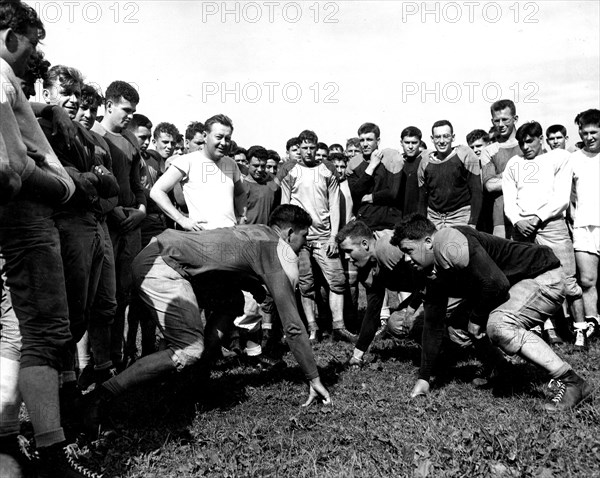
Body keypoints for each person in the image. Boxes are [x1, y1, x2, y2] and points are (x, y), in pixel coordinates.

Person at [84, 205, 332, 429]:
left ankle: (195, 379)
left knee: (232, 300)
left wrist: (252, 284)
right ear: (289, 233)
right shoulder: (280, 250)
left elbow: (226, 260)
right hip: (163, 264)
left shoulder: (258, 230)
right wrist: (313, 376)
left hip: (161, 250)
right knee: (188, 349)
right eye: (304, 237)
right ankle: (103, 395)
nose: (304, 244)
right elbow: (293, 326)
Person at [1, 2, 100, 475]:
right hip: (27, 219)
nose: (34, 55)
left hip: (14, 224)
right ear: (10, 33)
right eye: (33, 42)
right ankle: (52, 451)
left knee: (12, 331)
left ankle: (7, 442)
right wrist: (66, 185)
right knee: (45, 334)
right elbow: (11, 169)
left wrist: (45, 108)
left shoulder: (9, 82)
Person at [391, 214, 592, 412]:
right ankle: (505, 372)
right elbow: (433, 325)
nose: (407, 259)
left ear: (428, 242)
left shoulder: (447, 242)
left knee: (499, 325)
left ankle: (572, 381)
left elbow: (496, 283)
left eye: (409, 250)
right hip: (514, 285)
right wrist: (424, 378)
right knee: (456, 327)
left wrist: (477, 319)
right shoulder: (431, 268)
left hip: (544, 275)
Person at [503, 121, 588, 348]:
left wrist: (538, 218)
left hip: (551, 224)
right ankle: (546, 329)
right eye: (521, 143)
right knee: (529, 280)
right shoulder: (514, 163)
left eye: (530, 141)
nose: (525, 147)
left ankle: (580, 331)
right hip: (522, 229)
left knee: (568, 279)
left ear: (541, 138)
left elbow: (561, 197)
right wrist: (518, 221)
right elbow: (509, 201)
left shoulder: (558, 157)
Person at [277, 130, 354, 342]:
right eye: (305, 148)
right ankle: (312, 328)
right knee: (305, 284)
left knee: (337, 280)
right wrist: (287, 239)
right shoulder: (290, 172)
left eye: (312, 147)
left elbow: (334, 205)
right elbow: (284, 206)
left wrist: (333, 236)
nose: (309, 152)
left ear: (316, 147)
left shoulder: (327, 171)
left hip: (323, 236)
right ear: (299, 149)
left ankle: (339, 326)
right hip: (299, 238)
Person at [92, 80, 147, 370]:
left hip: (132, 225)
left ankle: (119, 356)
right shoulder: (92, 135)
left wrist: (140, 210)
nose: (129, 116)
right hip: (106, 223)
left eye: (134, 111)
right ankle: (93, 362)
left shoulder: (131, 140)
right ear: (109, 105)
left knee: (125, 293)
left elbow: (138, 185)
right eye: (126, 109)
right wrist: (114, 213)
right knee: (104, 296)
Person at [150, 114, 246, 231]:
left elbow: (240, 193)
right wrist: (182, 220)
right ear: (205, 136)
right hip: (201, 237)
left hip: (230, 234)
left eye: (227, 138)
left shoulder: (231, 163)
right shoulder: (187, 161)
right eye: (219, 137)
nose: (223, 143)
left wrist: (242, 215)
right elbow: (156, 191)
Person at [569, 109, 600, 340]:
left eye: (594, 132)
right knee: (587, 280)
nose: (589, 137)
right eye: (585, 132)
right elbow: (567, 194)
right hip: (583, 226)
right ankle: (593, 323)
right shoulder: (574, 159)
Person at [418, 120, 482, 229]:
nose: (442, 141)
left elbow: (476, 191)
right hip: (434, 218)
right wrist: (423, 225)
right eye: (437, 137)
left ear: (453, 137)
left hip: (460, 217)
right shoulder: (425, 162)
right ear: (432, 139)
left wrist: (472, 222)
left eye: (446, 136)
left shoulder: (464, 155)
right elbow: (422, 198)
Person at [481, 99, 522, 238]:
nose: (501, 125)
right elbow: (490, 186)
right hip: (500, 216)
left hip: (528, 212)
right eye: (496, 121)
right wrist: (519, 176)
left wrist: (500, 176)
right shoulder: (489, 151)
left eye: (505, 119)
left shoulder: (528, 144)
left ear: (515, 119)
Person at [399, 126, 427, 217]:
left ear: (420, 143)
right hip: (401, 216)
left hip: (420, 215)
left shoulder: (425, 161)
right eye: (407, 142)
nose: (410, 146)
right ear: (401, 143)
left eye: (414, 143)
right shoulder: (398, 162)